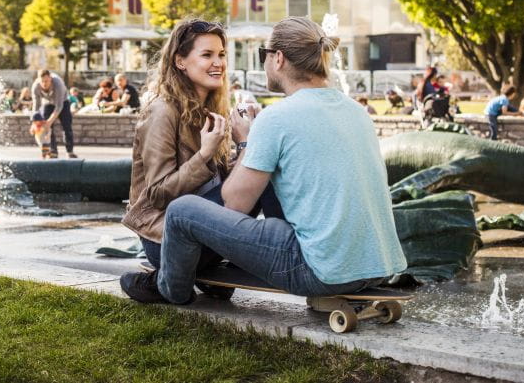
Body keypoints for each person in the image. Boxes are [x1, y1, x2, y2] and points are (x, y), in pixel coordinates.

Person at [120, 16, 407, 304]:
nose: (219, 63)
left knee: (187, 209)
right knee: (190, 207)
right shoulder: (356, 111)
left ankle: (170, 285)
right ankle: (180, 281)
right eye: (207, 55)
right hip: (378, 267)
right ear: (180, 61)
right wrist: (220, 151)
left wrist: (247, 144)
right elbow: (164, 194)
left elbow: (234, 202)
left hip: (318, 268)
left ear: (278, 58)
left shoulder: (273, 116)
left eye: (221, 54)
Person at [32, 69, 76, 159]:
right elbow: (36, 106)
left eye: (46, 81)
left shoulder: (58, 83)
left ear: (50, 79)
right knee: (47, 127)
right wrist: (34, 123)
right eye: (42, 82)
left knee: (67, 126)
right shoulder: (35, 87)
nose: (44, 84)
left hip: (63, 102)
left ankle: (69, 151)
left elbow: (59, 106)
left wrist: (49, 122)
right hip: (47, 102)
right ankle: (53, 151)